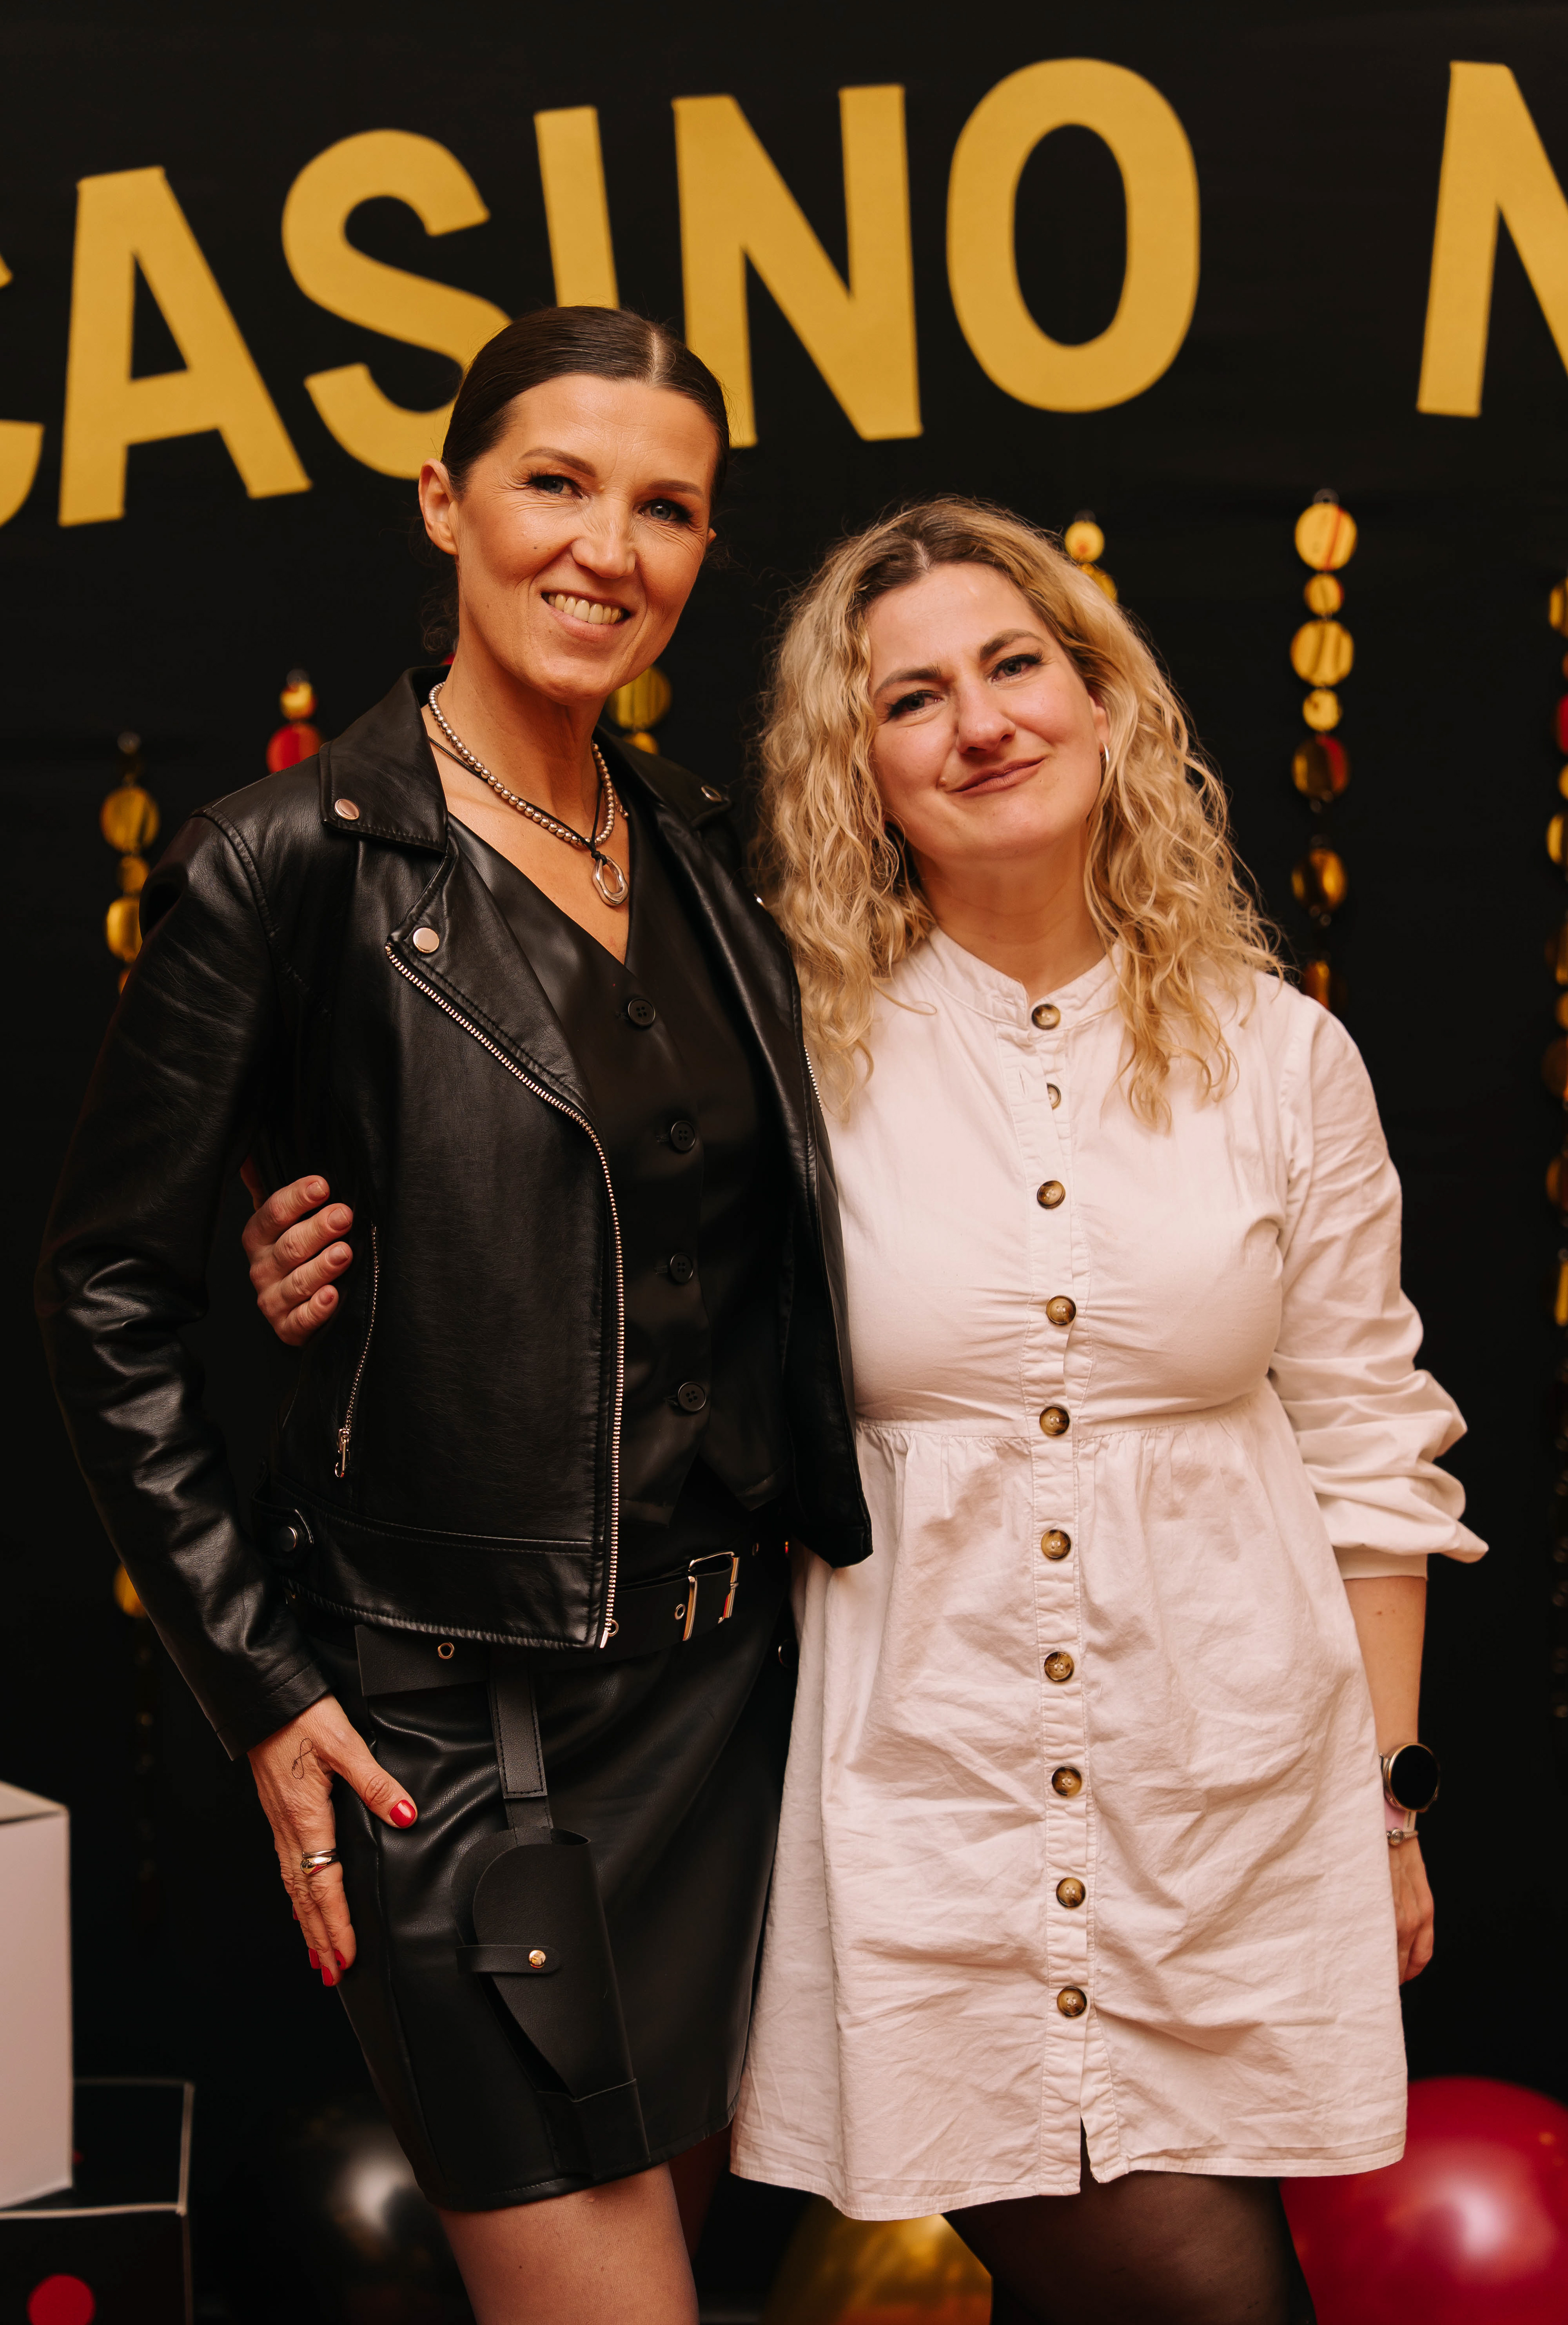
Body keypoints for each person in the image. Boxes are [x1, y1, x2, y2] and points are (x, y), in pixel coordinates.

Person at [240, 495, 1477, 2325]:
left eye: (1014, 666)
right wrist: (321, 1261)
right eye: (913, 700)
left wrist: (1387, 1810)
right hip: (919, 1808)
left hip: (1225, 1813)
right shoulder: (785, 1049)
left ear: (1104, 698)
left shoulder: (1285, 1057)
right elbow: (583, 1275)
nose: (979, 724)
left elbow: (1372, 1455)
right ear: (861, 772)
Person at [36, 305, 869, 2325]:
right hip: (466, 1727)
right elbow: (105, 1291)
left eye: (665, 508)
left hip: (734, 1705)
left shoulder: (701, 854)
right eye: (554, 483)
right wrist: (256, 1681)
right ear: (445, 499)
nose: (608, 549)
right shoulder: (281, 867)